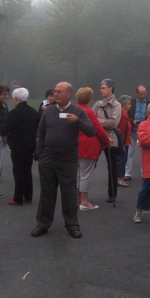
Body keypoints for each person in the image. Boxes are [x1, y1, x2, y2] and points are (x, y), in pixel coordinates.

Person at [31, 82, 94, 238]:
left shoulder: (77, 112)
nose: (56, 94)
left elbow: (91, 131)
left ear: (69, 94)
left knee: (69, 194)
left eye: (59, 92)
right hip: (48, 159)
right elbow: (40, 133)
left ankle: (72, 225)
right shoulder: (48, 112)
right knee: (47, 193)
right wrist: (41, 153)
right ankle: (43, 224)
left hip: (68, 160)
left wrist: (77, 121)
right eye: (55, 91)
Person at [0, 88, 38, 206]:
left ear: (15, 99)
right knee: (27, 170)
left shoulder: (13, 113)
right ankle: (28, 196)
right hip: (30, 145)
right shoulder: (33, 111)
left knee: (18, 170)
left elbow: (5, 130)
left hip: (17, 145)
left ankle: (18, 197)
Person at [76, 87, 111, 210]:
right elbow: (98, 128)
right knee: (86, 174)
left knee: (78, 174)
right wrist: (107, 140)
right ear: (89, 99)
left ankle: (78, 198)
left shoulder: (74, 109)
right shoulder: (88, 112)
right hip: (88, 146)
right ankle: (84, 201)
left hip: (75, 146)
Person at [92, 78, 122, 204]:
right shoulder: (98, 104)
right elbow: (90, 118)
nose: (101, 90)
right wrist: (102, 122)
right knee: (89, 164)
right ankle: (82, 193)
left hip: (111, 139)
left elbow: (113, 123)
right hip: (97, 138)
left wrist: (97, 121)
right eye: (100, 88)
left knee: (112, 168)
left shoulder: (117, 104)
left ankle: (112, 194)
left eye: (103, 88)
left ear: (111, 88)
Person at [125, 85, 148, 181]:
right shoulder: (132, 102)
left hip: (145, 132)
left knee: (145, 154)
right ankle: (127, 173)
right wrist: (132, 120)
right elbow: (127, 115)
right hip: (133, 131)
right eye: (141, 94)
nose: (143, 96)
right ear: (137, 94)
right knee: (130, 153)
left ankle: (145, 173)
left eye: (144, 94)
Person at [116, 95, 132, 187]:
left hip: (125, 141)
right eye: (129, 104)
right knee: (121, 160)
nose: (130, 106)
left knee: (123, 159)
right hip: (121, 141)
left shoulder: (125, 115)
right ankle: (119, 178)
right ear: (123, 105)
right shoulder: (120, 115)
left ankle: (119, 178)